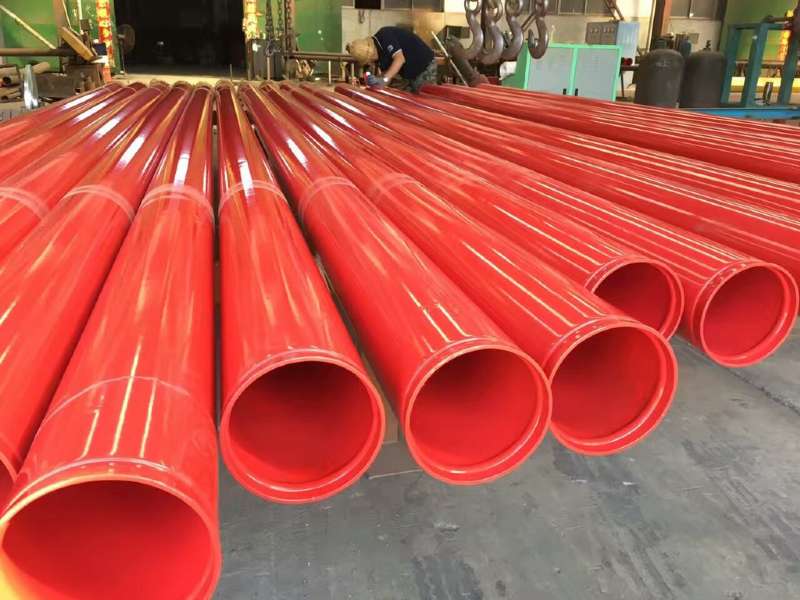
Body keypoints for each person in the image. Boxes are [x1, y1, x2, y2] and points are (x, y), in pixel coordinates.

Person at [346, 27, 437, 93]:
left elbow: (399, 59)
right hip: (408, 73)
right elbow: (389, 73)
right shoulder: (379, 57)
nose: (370, 63)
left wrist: (384, 80)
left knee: (423, 101)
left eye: (370, 60)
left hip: (424, 66)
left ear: (372, 52)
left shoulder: (385, 35)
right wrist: (377, 83)